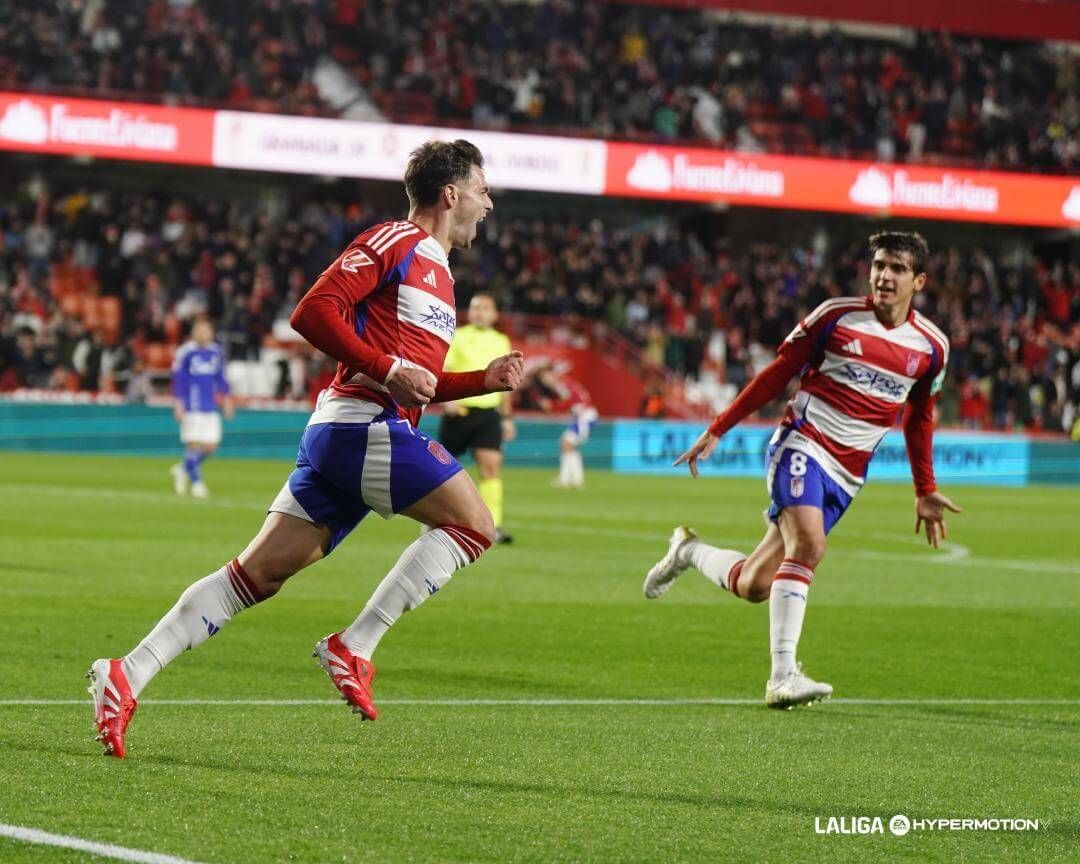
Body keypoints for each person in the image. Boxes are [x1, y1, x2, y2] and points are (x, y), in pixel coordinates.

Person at [87, 139, 524, 757]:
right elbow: (313, 312)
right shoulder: (395, 241)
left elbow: (416, 380)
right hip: (360, 428)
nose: (489, 203)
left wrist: (480, 381)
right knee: (475, 526)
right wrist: (387, 367)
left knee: (253, 577)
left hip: (355, 431)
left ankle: (126, 673)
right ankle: (356, 645)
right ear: (450, 194)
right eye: (483, 190)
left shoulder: (439, 272)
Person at [643, 231, 962, 709]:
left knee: (754, 585)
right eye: (879, 265)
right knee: (810, 545)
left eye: (897, 268)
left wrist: (925, 488)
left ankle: (688, 551)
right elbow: (777, 372)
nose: (884, 276)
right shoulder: (836, 317)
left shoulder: (932, 346)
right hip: (803, 443)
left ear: (919, 280)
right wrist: (719, 427)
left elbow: (920, 417)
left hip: (848, 476)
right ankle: (782, 676)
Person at [438, 293, 516, 543]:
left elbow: (508, 378)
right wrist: (448, 402)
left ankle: (493, 525)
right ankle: (439, 521)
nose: (480, 312)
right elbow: (445, 369)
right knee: (442, 471)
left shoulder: (501, 340)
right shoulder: (457, 335)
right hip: (459, 410)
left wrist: (507, 417)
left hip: (488, 414)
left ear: (495, 314)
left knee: (491, 467)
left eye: (485, 307)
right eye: (476, 308)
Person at [169, 319, 234, 498]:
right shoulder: (185, 352)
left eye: (207, 330)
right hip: (192, 405)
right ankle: (197, 483)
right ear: (194, 332)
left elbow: (221, 378)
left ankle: (183, 469)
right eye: (201, 330)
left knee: (211, 445)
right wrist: (178, 404)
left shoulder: (216, 351)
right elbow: (179, 380)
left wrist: (227, 399)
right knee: (193, 445)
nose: (204, 333)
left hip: (210, 406)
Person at [553, 401, 598, 489]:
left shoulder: (575, 395)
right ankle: (571, 479)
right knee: (568, 448)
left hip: (581, 425)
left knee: (567, 447)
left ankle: (569, 479)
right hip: (581, 424)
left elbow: (583, 414)